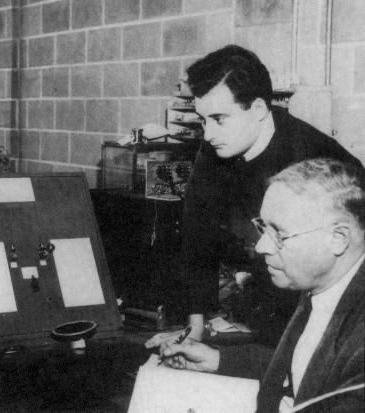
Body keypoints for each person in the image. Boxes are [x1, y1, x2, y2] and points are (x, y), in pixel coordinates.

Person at [147, 45, 362, 348]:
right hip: (265, 291)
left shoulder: (313, 157)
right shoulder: (216, 147)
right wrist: (195, 326)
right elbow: (197, 235)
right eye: (202, 120)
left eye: (219, 118)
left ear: (259, 110)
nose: (207, 134)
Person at [161, 158, 365, 413]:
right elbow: (312, 370)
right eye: (263, 228)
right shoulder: (325, 282)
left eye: (279, 234)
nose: (261, 247)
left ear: (339, 238)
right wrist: (217, 359)